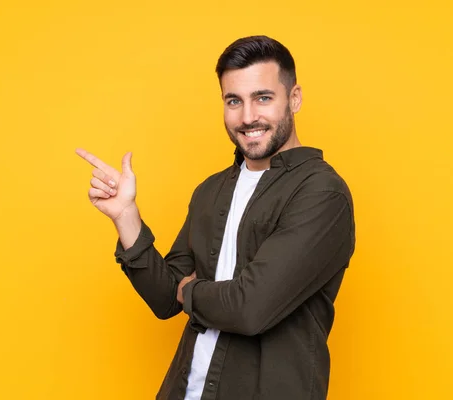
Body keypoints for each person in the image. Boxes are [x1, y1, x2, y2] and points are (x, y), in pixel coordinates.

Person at [76, 35, 356, 400]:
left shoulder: (321, 193)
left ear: (295, 98)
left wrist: (190, 290)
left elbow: (250, 308)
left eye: (263, 98)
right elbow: (166, 300)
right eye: (233, 101)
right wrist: (126, 217)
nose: (248, 117)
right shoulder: (210, 191)